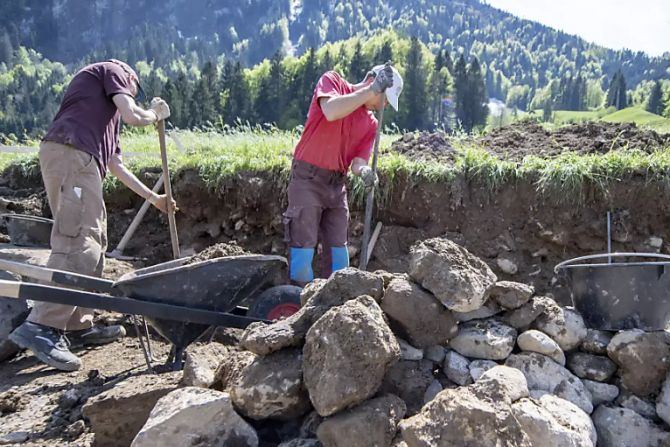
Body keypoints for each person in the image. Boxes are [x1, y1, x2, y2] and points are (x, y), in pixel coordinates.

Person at [9, 60, 174, 371]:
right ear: (130, 79)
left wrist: (155, 199)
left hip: (81, 162)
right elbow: (134, 113)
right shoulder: (114, 72)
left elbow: (116, 166)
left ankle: (77, 325)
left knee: (95, 243)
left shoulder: (106, 120)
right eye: (133, 89)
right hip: (73, 156)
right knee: (79, 240)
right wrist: (154, 114)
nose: (132, 93)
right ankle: (42, 326)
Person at [283, 63, 403, 284]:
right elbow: (330, 111)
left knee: (339, 252)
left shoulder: (370, 124)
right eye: (384, 98)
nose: (384, 105)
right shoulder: (333, 82)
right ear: (372, 81)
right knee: (303, 246)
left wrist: (365, 171)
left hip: (336, 185)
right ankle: (297, 303)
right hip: (307, 178)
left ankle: (336, 303)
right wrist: (370, 91)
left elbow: (358, 162)